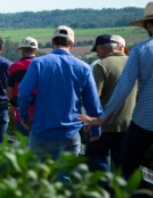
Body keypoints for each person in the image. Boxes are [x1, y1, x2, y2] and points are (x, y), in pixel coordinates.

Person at [79, 1, 153, 184]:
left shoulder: (141, 50)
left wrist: (103, 117)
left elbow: (123, 88)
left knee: (127, 167)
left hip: (144, 120)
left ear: (147, 25)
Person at [17, 25, 102, 162]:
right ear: (72, 44)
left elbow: (23, 93)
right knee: (64, 178)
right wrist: (96, 128)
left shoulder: (38, 63)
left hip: (41, 133)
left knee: (39, 178)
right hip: (70, 134)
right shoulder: (83, 68)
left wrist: (25, 118)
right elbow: (92, 103)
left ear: (52, 42)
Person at [85, 34, 137, 173]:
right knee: (123, 165)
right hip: (129, 124)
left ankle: (105, 191)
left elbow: (94, 96)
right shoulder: (134, 62)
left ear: (102, 48)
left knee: (95, 158)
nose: (97, 55)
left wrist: (89, 122)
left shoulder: (101, 65)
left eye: (97, 51)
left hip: (105, 125)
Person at [7, 37, 38, 137]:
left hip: (21, 116)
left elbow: (9, 92)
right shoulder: (43, 65)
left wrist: (13, 105)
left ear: (22, 51)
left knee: (24, 149)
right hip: (40, 116)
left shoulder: (14, 67)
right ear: (36, 50)